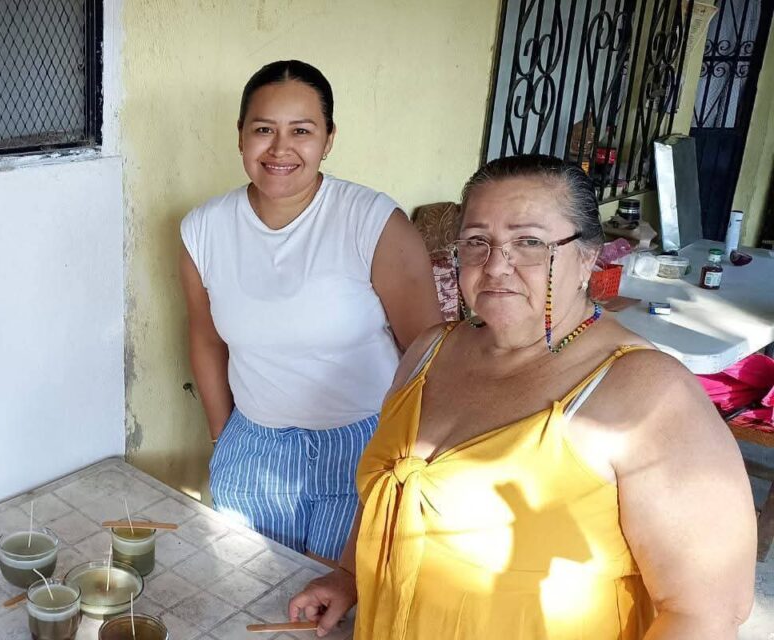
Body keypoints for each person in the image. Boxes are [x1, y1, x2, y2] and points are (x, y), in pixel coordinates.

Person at [288, 154, 756, 638]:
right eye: (476, 242)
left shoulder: (648, 394)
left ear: (587, 257)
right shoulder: (430, 350)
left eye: (529, 242)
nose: (495, 266)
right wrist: (348, 576)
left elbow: (703, 614)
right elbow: (389, 495)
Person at [179, 60, 442, 564]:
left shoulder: (371, 221)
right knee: (245, 595)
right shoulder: (203, 230)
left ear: (328, 139)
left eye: (301, 130)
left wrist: (408, 462)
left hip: (360, 447)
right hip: (252, 450)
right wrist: (223, 435)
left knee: (335, 613)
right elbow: (206, 337)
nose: (280, 149)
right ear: (240, 136)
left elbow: (428, 354)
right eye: (263, 130)